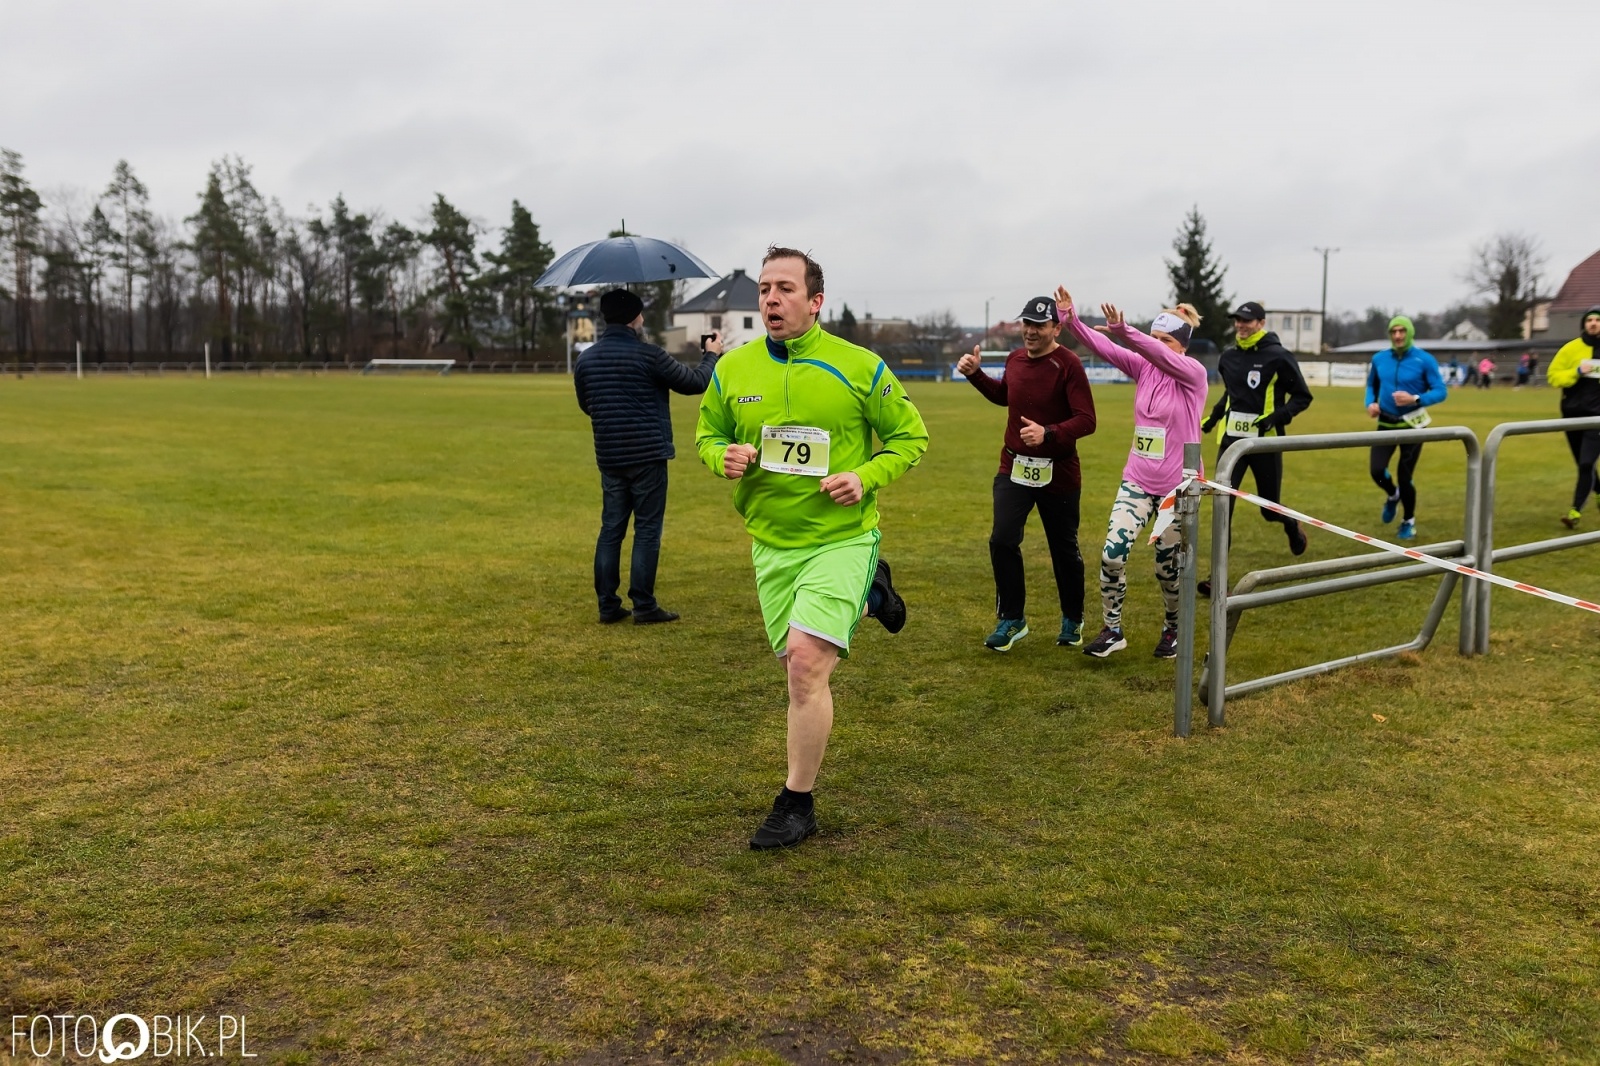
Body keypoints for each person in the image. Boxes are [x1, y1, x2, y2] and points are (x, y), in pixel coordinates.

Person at [695, 246, 928, 849]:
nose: (771, 299)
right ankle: (873, 594)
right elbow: (707, 433)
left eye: (785, 289)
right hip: (771, 544)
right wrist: (723, 455)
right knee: (794, 668)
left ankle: (797, 802)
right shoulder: (733, 370)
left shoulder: (858, 366)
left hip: (841, 537)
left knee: (804, 665)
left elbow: (910, 437)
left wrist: (865, 477)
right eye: (765, 290)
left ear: (815, 301)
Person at [1054, 286, 1209, 659]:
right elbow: (1103, 347)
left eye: (1165, 340)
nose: (1154, 346)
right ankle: (1112, 629)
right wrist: (1070, 318)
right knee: (1112, 555)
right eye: (1153, 337)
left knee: (1168, 570)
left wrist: (1127, 332)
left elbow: (1145, 349)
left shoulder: (1193, 374)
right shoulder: (1144, 367)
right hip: (1137, 480)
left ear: (1182, 344)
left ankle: (1173, 630)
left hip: (1180, 488)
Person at [955, 295, 1097, 651]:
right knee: (1002, 539)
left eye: (1039, 325)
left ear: (1056, 328)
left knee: (1063, 550)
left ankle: (1072, 619)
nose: (1030, 332)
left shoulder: (1068, 365)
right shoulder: (1015, 358)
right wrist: (976, 376)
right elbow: (1005, 396)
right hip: (1013, 466)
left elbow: (1087, 420)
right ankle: (1012, 619)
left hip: (1059, 472)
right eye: (1026, 324)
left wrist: (1048, 432)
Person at [574, 288, 721, 624]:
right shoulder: (649, 355)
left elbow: (588, 405)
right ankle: (643, 604)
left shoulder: (586, 358)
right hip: (648, 454)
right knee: (647, 529)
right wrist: (711, 354)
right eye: (640, 314)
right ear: (634, 318)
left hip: (610, 454)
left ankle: (607, 606)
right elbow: (695, 381)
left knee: (611, 529)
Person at [1198, 301, 1314, 596]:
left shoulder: (1278, 356)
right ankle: (1217, 578)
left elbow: (1302, 396)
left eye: (1247, 320)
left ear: (1261, 323)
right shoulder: (1229, 356)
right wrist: (1213, 416)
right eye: (1237, 320)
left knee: (1268, 508)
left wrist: (1277, 417)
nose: (1241, 325)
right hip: (1231, 443)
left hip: (1265, 442)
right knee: (1224, 506)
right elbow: (1232, 393)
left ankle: (1290, 523)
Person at [1365, 316, 1447, 542]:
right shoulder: (1380, 358)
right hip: (1386, 424)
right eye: (1394, 331)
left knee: (1404, 475)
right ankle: (1393, 496)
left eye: (1402, 331)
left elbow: (1441, 391)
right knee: (1376, 470)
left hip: (1414, 426)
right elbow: (1372, 385)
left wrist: (1415, 398)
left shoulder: (1424, 360)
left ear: (1410, 333)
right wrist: (1370, 403)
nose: (1398, 336)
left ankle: (1408, 521)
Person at [1547, 306, 1600, 528]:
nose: (1594, 323)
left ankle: (1575, 512)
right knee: (1582, 462)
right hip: (1571, 414)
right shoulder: (1571, 349)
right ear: (1583, 324)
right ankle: (1598, 491)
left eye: (1598, 320)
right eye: (1590, 320)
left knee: (1586, 463)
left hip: (1596, 418)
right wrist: (1576, 372)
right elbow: (1553, 376)